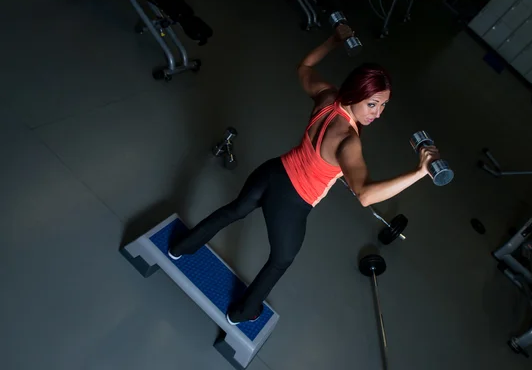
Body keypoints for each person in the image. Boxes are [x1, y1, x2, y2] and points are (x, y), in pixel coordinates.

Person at [168, 24, 440, 325]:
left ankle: (181, 247)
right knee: (281, 260)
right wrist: (419, 172)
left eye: (383, 105)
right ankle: (241, 312)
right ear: (356, 95)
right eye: (372, 104)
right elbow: (365, 196)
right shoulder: (349, 141)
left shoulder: (327, 96)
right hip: (293, 203)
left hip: (273, 171)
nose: (377, 113)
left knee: (234, 210)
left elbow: (305, 66)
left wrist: (333, 40)